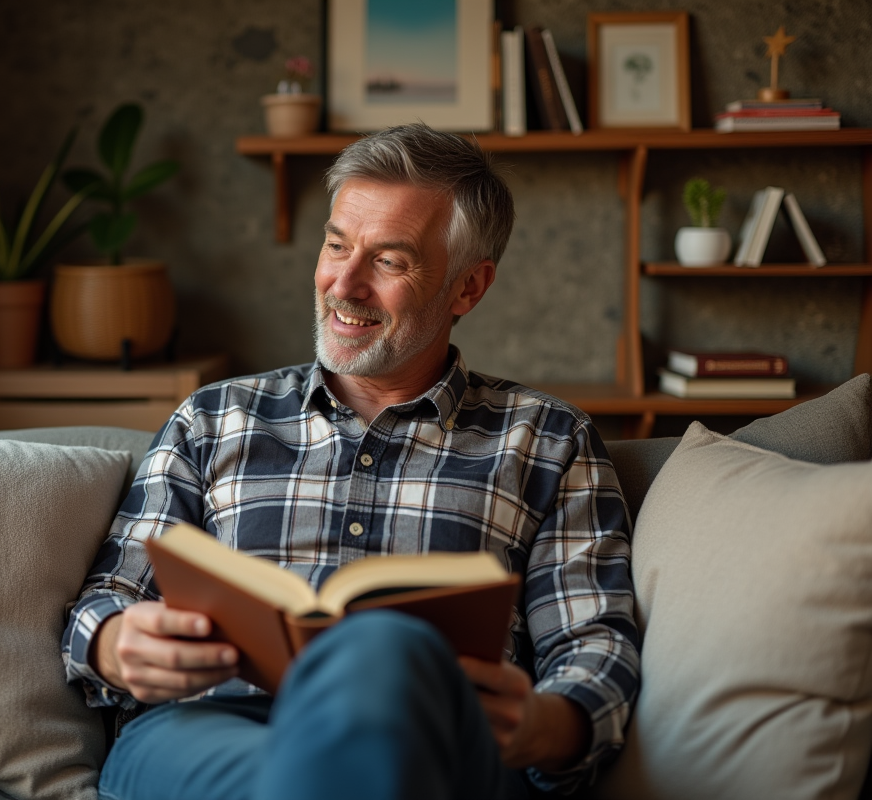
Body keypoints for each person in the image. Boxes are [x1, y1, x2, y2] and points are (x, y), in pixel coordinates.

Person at [62, 123, 639, 800]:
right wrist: (117, 643)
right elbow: (105, 602)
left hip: (437, 743)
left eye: (389, 261)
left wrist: (544, 722)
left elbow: (594, 644)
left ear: (467, 288)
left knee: (384, 646)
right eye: (337, 245)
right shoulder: (212, 419)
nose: (345, 282)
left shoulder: (548, 440)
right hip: (208, 732)